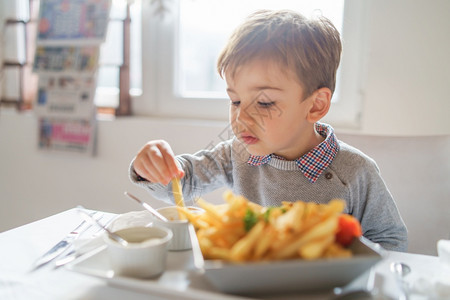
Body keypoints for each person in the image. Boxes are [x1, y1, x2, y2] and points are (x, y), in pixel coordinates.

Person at [129, 10, 407, 252]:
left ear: (315, 105)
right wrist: (155, 167)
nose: (240, 117)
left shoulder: (356, 172)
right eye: (235, 100)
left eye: (264, 103)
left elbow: (390, 239)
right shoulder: (236, 153)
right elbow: (184, 182)